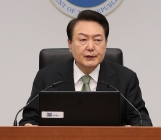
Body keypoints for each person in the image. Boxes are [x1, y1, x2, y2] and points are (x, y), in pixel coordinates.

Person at [19, 10, 152, 126]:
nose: (90, 47)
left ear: (106, 43)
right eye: (83, 40)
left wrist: (133, 129)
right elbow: (29, 119)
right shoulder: (47, 78)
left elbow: (142, 120)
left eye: (98, 40)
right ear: (70, 44)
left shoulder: (126, 79)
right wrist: (29, 126)